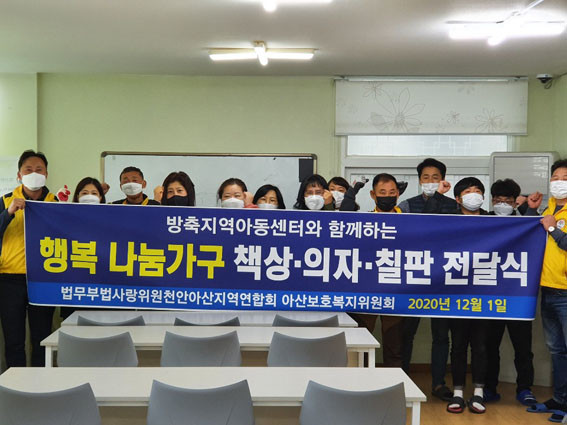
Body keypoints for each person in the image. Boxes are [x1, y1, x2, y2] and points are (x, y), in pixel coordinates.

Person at [427, 177, 489, 414]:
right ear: (458, 199)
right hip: (455, 294)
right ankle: (458, 392)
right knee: (459, 345)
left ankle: (479, 392)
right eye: (468, 191)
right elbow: (426, 223)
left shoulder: (494, 220)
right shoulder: (449, 220)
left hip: (485, 294)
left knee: (481, 345)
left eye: (478, 191)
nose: (474, 194)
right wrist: (437, 196)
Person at [398, 159, 457, 401]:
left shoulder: (453, 206)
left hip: (442, 279)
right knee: (406, 333)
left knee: (441, 336)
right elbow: (417, 232)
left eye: (435, 177)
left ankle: (438, 383)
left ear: (443, 179)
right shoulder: (406, 205)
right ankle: (401, 378)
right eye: (426, 177)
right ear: (419, 180)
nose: (430, 181)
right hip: (413, 278)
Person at [481, 179, 538, 407]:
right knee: (489, 347)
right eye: (498, 200)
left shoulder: (525, 223)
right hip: (489, 297)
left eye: (507, 200)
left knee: (523, 348)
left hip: (518, 296)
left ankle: (525, 388)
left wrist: (530, 210)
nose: (502, 204)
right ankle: (488, 388)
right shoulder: (482, 222)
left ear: (516, 202)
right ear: (492, 201)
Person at [0, 150, 57, 367]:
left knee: (42, 338)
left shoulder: (55, 203)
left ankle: (41, 381)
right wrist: (8, 213)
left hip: (43, 278)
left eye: (39, 170)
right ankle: (15, 383)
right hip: (9, 279)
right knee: (13, 339)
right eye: (28, 170)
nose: (34, 174)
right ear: (19, 175)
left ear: (46, 174)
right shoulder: (5, 201)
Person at [341, 173, 404, 367]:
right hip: (367, 287)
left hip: (397, 288)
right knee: (362, 340)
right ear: (373, 195)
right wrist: (352, 191)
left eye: (392, 192)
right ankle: (361, 379)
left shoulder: (409, 220)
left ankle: (396, 380)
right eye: (382, 192)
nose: (387, 196)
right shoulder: (365, 221)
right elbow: (343, 217)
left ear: (398, 194)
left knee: (395, 344)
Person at [527, 159, 567, 423]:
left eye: (565, 178)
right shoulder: (550, 207)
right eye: (555, 177)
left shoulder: (554, 215)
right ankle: (560, 399)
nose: (559, 182)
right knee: (556, 350)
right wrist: (531, 211)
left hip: (565, 291)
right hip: (548, 289)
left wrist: (552, 227)